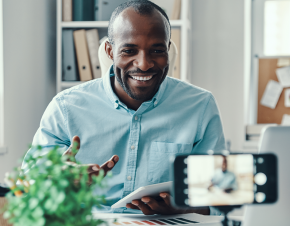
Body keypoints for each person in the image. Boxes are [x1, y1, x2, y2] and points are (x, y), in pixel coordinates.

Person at [22, 0, 226, 215]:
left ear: (168, 49)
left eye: (157, 50)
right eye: (129, 51)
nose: (144, 64)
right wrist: (57, 179)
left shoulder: (199, 106)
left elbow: (220, 198)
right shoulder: (66, 108)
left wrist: (182, 206)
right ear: (110, 51)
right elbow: (27, 186)